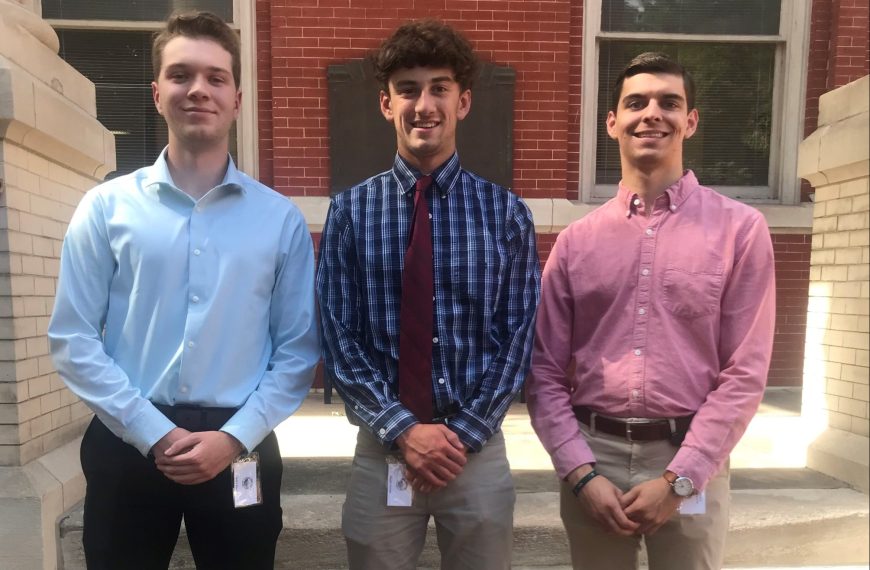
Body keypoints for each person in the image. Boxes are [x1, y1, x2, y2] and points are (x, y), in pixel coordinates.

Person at [47, 11, 320, 569]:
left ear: (237, 99)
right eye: (181, 75)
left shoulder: (280, 220)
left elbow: (297, 351)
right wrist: (151, 431)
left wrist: (234, 437)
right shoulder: (106, 208)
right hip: (128, 440)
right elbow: (73, 337)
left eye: (216, 77)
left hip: (239, 444)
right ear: (156, 92)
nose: (198, 89)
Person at [527, 52, 776, 570]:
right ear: (613, 122)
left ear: (690, 121)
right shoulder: (576, 242)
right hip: (593, 458)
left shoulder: (740, 231)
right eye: (636, 102)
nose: (652, 114)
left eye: (669, 102)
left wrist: (679, 480)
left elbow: (745, 373)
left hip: (689, 454)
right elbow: (543, 371)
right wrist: (580, 474)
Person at [316, 19, 540, 570]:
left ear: (462, 102)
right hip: (383, 448)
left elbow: (518, 337)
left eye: (439, 88)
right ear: (385, 104)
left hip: (477, 453)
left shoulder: (506, 214)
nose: (424, 104)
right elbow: (339, 337)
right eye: (408, 90)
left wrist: (459, 435)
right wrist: (403, 430)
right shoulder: (351, 212)